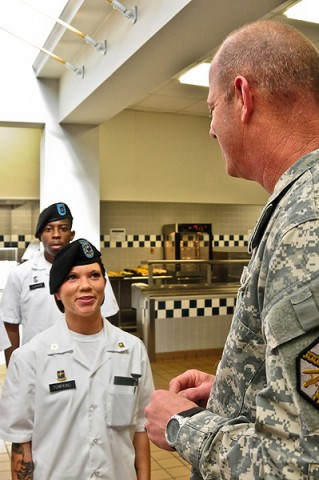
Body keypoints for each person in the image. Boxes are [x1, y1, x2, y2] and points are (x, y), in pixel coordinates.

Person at [144, 20, 319, 479]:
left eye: (211, 108)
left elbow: (297, 463)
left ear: (242, 97)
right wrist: (231, 391)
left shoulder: (306, 222)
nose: (210, 129)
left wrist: (183, 426)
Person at [0, 238, 154, 479]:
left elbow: (140, 428)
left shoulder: (133, 350)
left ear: (104, 285)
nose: (85, 286)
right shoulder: (30, 358)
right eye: (72, 277)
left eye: (94, 275)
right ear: (57, 293)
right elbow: (22, 442)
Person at [0, 202, 119, 365]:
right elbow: (10, 323)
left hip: (84, 361)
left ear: (72, 234)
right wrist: (13, 368)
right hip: (37, 361)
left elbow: (106, 318)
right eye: (48, 229)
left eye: (63, 228)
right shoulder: (20, 274)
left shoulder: (92, 273)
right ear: (39, 235)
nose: (56, 235)